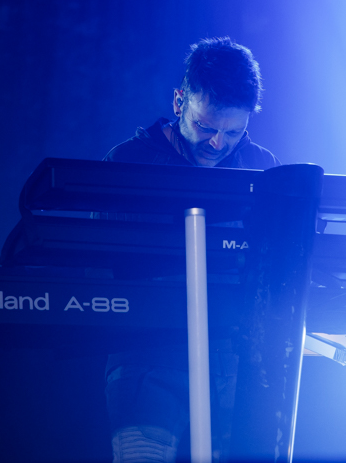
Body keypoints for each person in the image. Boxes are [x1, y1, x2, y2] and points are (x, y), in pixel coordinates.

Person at [103, 37, 281, 463]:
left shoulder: (263, 168)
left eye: (232, 132)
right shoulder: (130, 162)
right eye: (206, 127)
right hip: (146, 354)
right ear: (180, 100)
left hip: (234, 361)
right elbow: (106, 266)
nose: (217, 144)